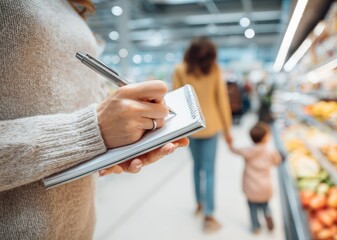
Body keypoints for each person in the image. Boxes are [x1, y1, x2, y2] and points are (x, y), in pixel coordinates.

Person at [0, 1, 188, 239]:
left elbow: (82, 97)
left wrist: (109, 148)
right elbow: (89, 124)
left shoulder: (71, 6)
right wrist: (91, 132)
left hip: (80, 225)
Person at [172, 37, 233, 233]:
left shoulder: (180, 69)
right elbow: (221, 100)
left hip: (190, 129)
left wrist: (175, 131)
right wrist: (227, 129)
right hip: (211, 126)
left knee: (196, 167)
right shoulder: (214, 69)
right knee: (210, 170)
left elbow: (175, 102)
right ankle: (209, 214)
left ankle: (199, 203)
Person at [229, 121, 281, 234]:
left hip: (251, 188)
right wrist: (280, 157)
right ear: (265, 138)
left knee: (252, 209)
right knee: (265, 205)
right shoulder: (270, 152)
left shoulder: (248, 151)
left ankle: (255, 227)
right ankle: (267, 214)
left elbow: (235, 150)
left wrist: (230, 144)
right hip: (264, 188)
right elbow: (277, 161)